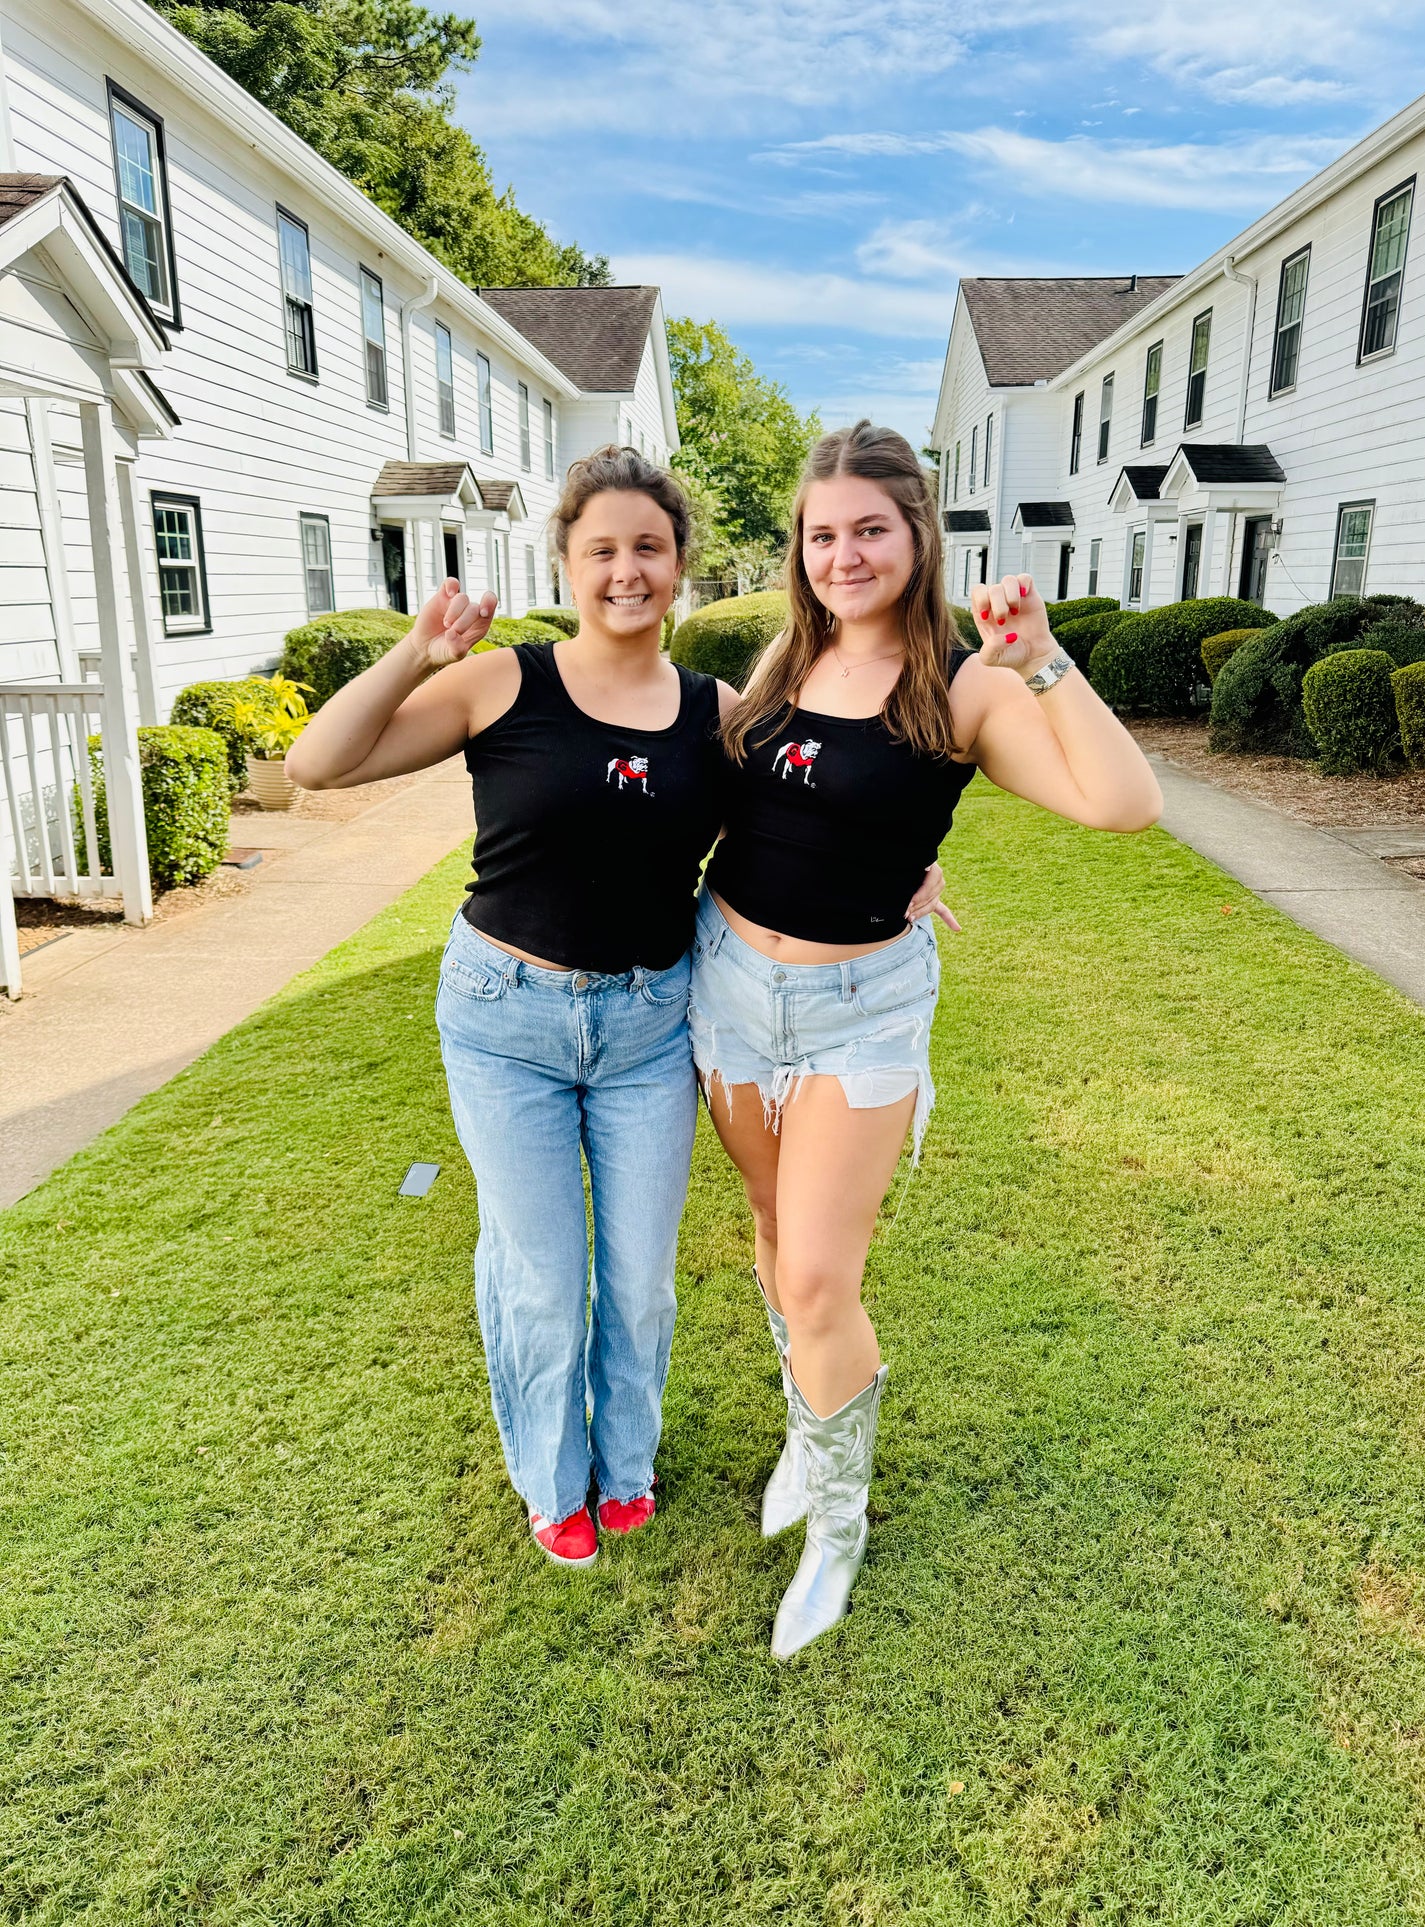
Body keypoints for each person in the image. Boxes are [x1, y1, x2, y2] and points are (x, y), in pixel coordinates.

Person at [285, 444, 948, 1574]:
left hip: (651, 1021)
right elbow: (317, 761)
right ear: (568, 561)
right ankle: (555, 1482)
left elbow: (812, 816)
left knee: (637, 1278)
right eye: (602, 550)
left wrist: (903, 875)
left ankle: (626, 1468)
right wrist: (414, 652)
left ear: (680, 562)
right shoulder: (503, 682)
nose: (626, 571)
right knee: (542, 1274)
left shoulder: (721, 712)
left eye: (649, 547)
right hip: (506, 1018)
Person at [689, 420, 1163, 1658]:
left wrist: (1048, 661)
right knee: (771, 1231)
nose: (842, 554)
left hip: (860, 1013)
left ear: (916, 536)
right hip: (727, 988)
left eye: (869, 530)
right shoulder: (784, 659)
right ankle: (807, 1432)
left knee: (815, 1277)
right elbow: (760, 801)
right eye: (821, 533)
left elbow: (1123, 806)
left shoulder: (962, 684)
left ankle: (836, 1525)